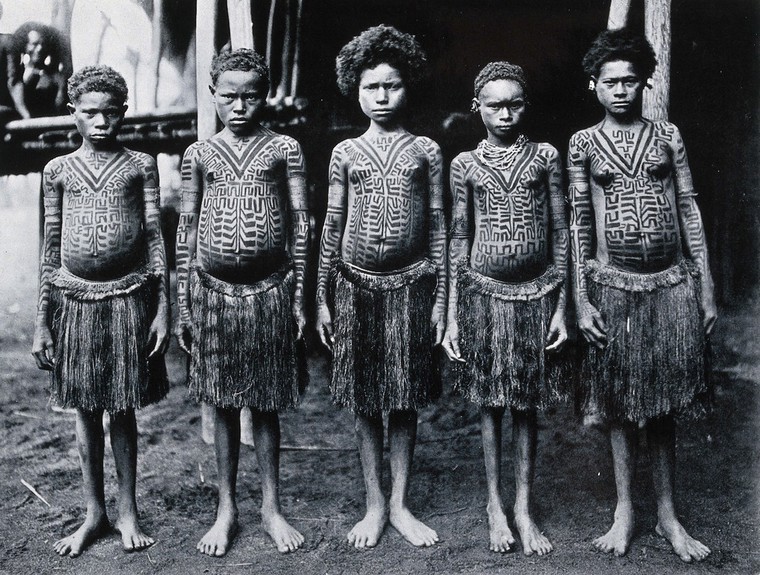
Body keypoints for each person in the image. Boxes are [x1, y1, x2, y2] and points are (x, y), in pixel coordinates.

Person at [567, 29, 716, 562]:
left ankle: (669, 515)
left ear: (645, 82)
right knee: (620, 404)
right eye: (611, 82)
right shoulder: (582, 144)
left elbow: (689, 208)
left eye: (631, 81)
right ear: (594, 86)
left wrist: (707, 286)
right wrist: (582, 300)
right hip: (613, 286)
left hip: (672, 282)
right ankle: (625, 510)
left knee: (666, 405)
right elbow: (580, 223)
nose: (622, 91)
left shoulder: (667, 136)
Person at [315, 25, 446, 549]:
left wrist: (441, 298)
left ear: (407, 85)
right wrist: (321, 294)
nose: (383, 96)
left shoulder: (426, 151)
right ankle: (373, 504)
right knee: (365, 399)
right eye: (372, 87)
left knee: (406, 396)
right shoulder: (346, 153)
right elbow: (331, 223)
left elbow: (438, 225)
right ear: (356, 89)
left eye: (392, 85)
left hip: (412, 285)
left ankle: (400, 503)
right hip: (355, 287)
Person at [31, 65, 170, 557]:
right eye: (90, 113)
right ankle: (94, 512)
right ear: (73, 114)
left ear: (123, 113)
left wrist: (163, 310)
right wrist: (41, 321)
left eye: (111, 112)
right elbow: (49, 248)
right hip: (74, 300)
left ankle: (128, 509)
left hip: (128, 297)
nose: (101, 122)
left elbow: (156, 239)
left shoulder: (139, 166)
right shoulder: (59, 171)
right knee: (84, 409)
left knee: (123, 406)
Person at [175, 48, 309, 556]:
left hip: (270, 288)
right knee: (224, 402)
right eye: (228, 96)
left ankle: (271, 506)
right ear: (213, 95)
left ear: (265, 96)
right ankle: (226, 507)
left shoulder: (284, 149)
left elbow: (301, 226)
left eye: (250, 95)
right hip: (212, 291)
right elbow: (186, 230)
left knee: (268, 402)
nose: (239, 105)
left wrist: (298, 298)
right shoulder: (199, 155)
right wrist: (185, 302)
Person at [441, 62, 569, 556]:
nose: (505, 113)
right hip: (482, 294)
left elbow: (562, 231)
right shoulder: (465, 165)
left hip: (537, 294)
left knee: (527, 404)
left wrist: (561, 306)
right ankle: (494, 504)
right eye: (494, 104)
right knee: (491, 403)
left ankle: (523, 504)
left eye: (515, 103)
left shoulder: (545, 157)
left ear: (526, 105)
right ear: (477, 107)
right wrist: (452, 315)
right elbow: (458, 238)